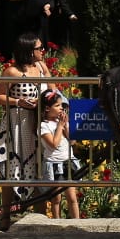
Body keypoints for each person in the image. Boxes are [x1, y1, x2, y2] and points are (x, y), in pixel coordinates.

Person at [0, 32, 54, 181]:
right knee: (13, 169)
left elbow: (53, 91)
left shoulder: (41, 67)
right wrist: (18, 102)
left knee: (39, 169)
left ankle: (36, 203)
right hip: (18, 125)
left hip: (39, 124)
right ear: (28, 51)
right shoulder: (13, 72)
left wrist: (43, 100)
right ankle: (9, 205)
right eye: (40, 48)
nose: (43, 51)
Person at [38, 88, 80, 220]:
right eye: (57, 105)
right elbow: (53, 144)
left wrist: (65, 126)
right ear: (47, 109)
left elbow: (72, 141)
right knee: (56, 198)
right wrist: (60, 127)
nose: (61, 108)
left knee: (72, 197)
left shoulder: (61, 123)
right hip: (54, 164)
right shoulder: (43, 126)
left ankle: (77, 222)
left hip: (67, 162)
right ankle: (56, 222)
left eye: (62, 105)